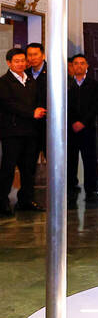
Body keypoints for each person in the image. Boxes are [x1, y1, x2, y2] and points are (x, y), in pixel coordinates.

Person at [0, 48, 46, 216]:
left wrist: (39, 109)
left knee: (28, 169)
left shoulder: (30, 80)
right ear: (9, 63)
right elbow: (9, 104)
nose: (20, 64)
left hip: (30, 132)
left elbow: (36, 100)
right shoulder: (3, 82)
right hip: (12, 132)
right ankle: (2, 203)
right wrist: (31, 112)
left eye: (22, 60)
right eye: (16, 61)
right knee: (8, 169)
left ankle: (25, 201)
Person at [67, 54, 98, 201]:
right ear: (72, 66)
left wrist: (83, 122)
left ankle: (91, 189)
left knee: (90, 160)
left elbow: (96, 106)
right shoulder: (66, 84)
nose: (79, 66)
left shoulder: (94, 85)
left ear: (87, 66)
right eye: (76, 63)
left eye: (82, 63)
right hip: (70, 129)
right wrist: (73, 122)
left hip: (88, 128)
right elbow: (65, 106)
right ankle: (71, 188)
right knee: (70, 160)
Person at [25, 42, 47, 160]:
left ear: (43, 56)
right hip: (30, 124)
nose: (32, 58)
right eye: (29, 55)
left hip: (48, 124)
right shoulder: (24, 74)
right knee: (29, 162)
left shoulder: (53, 72)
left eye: (35, 54)